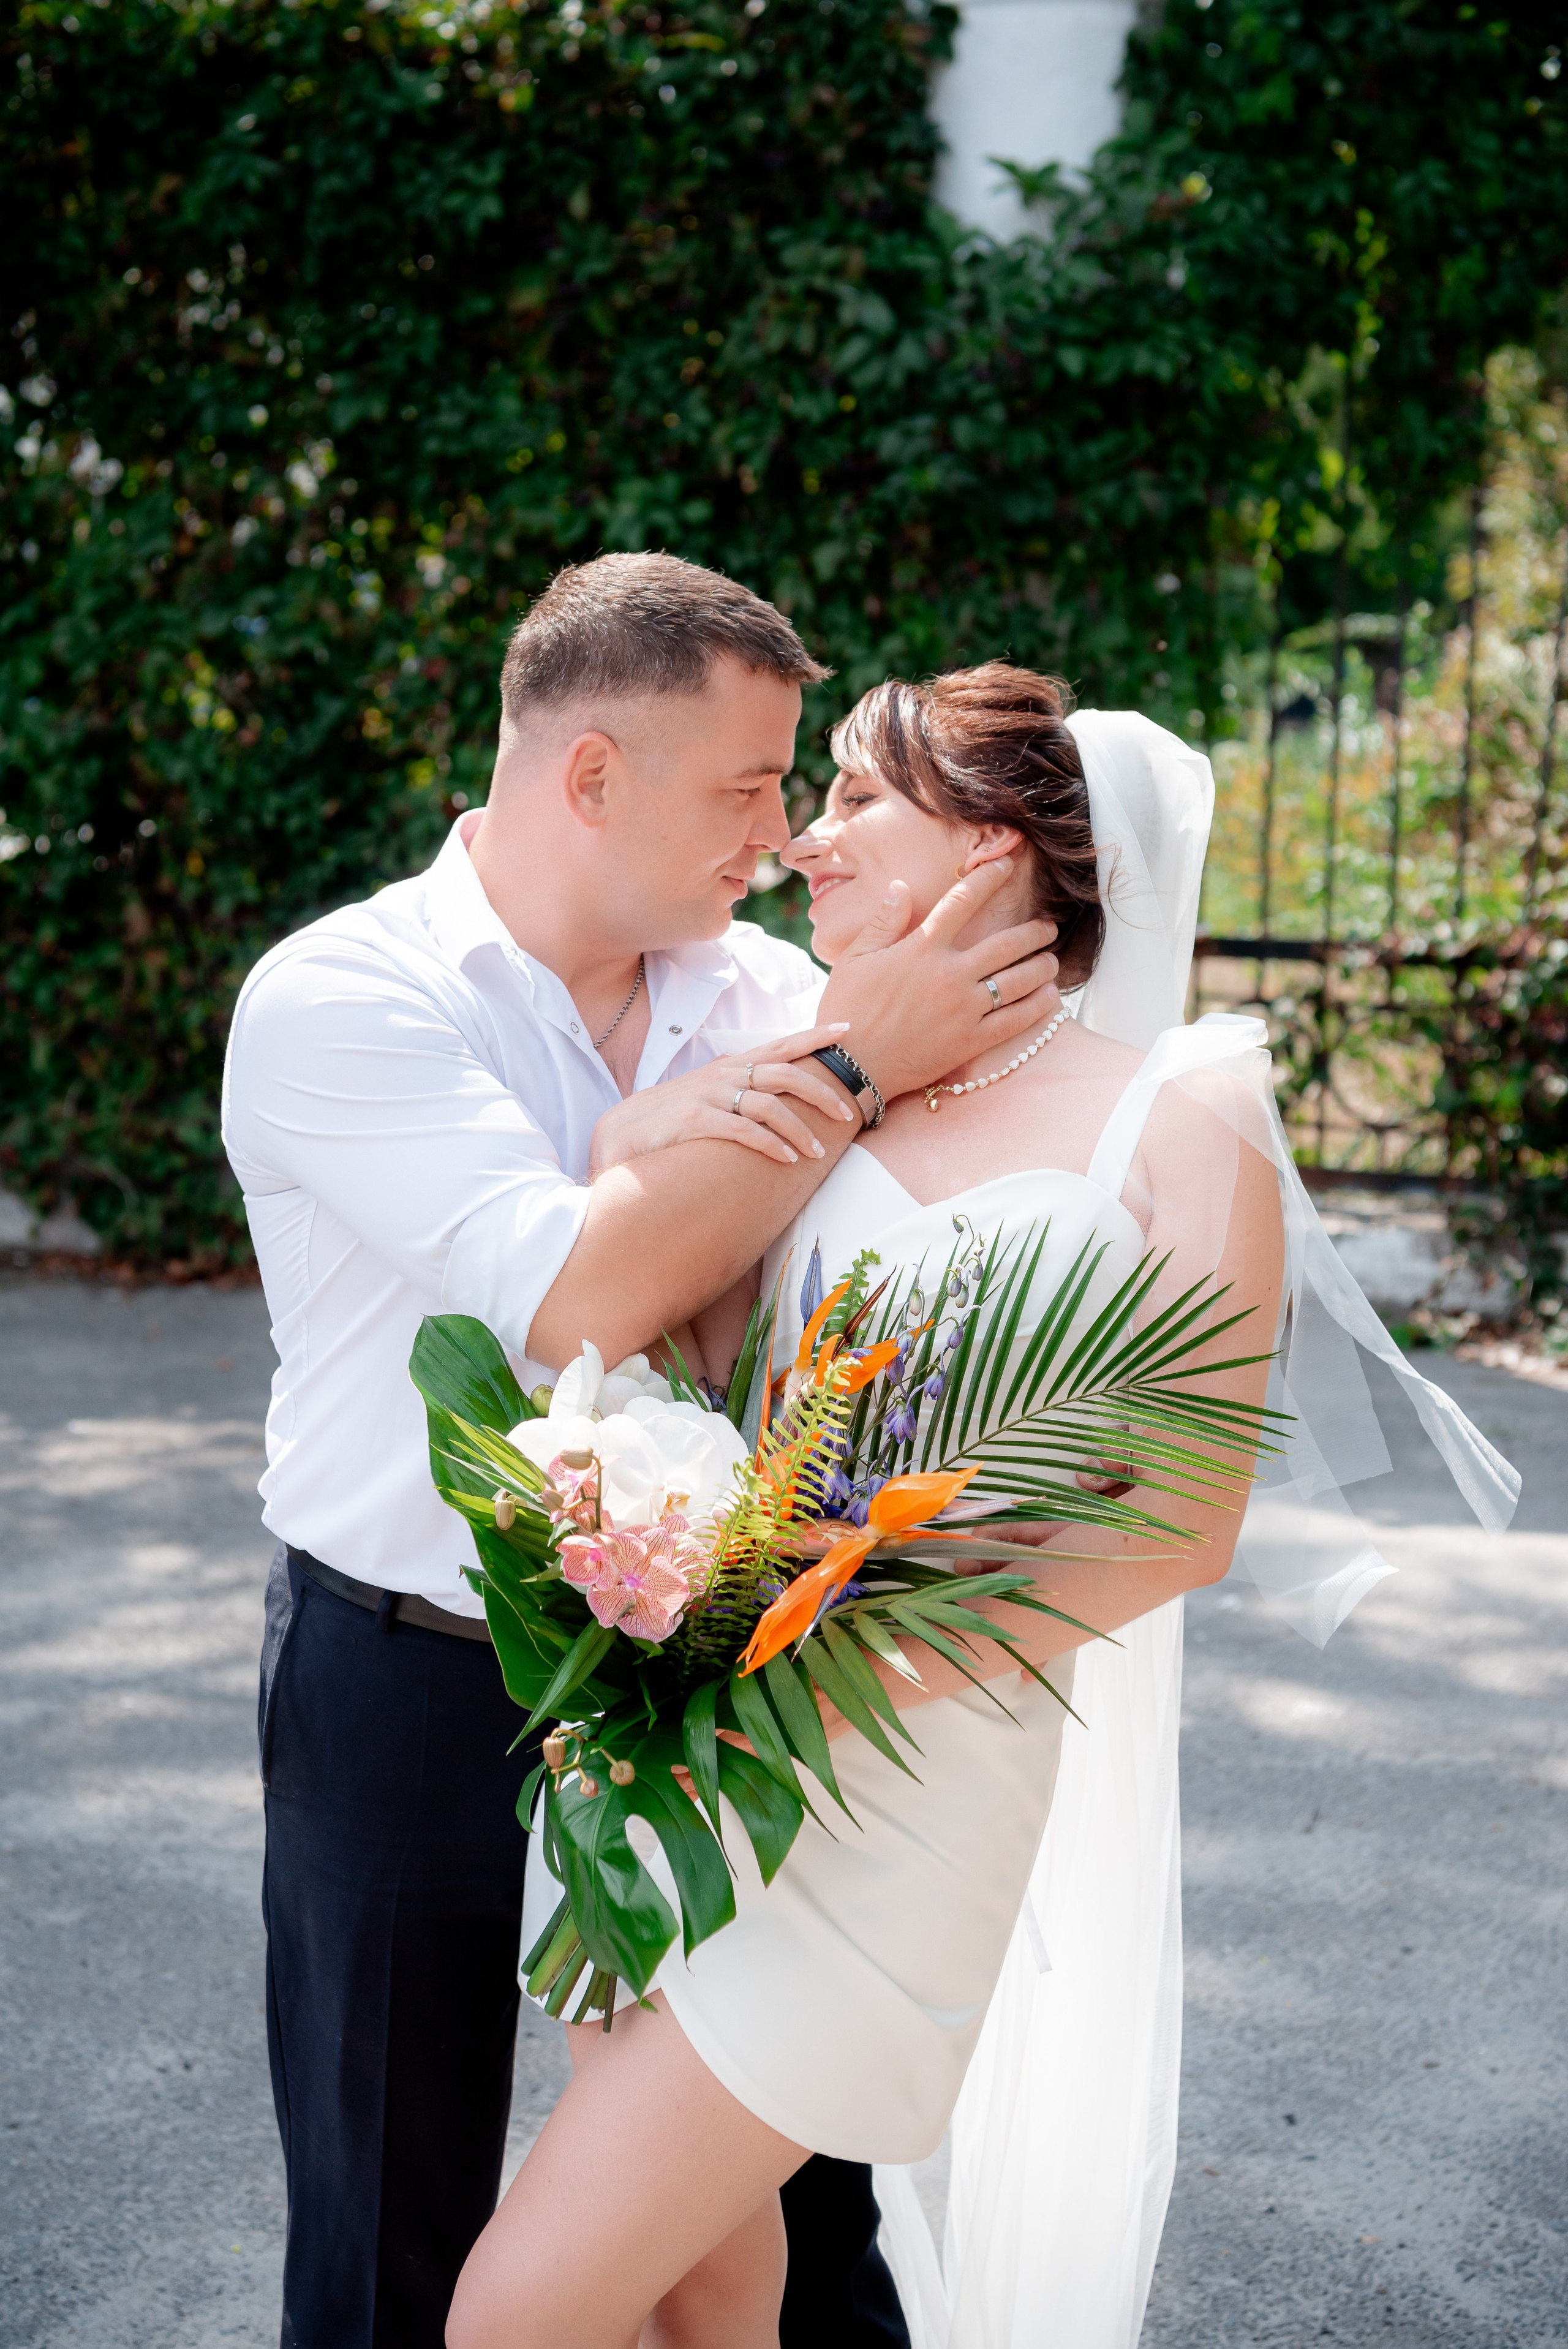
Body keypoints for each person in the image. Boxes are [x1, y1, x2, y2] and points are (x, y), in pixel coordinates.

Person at [447, 663, 1520, 2349]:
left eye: (861, 798)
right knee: (704, 2282)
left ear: (1000, 839)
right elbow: (690, 1342)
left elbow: (1185, 1516)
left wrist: (852, 1660)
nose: (807, 837)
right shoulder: (827, 1063)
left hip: (899, 1796)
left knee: (511, 2311)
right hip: (680, 1755)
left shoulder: (1185, 1108)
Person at [221, 557, 1065, 2349]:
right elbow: (576, 1296)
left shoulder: (770, 991)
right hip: (407, 1667)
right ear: (591, 774)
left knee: (786, 2207)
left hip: (711, 1676)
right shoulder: (339, 996)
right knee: (387, 2218)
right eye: (749, 788)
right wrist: (854, 1064)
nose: (778, 836)